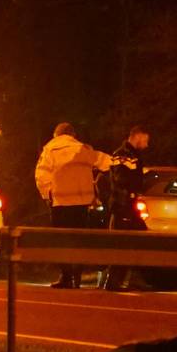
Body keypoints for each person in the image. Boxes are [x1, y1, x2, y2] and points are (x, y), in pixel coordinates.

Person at [33, 122, 115, 289]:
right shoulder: (83, 149)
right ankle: (76, 277)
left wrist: (48, 194)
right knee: (78, 240)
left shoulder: (50, 150)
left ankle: (66, 276)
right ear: (73, 135)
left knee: (61, 241)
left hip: (60, 203)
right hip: (81, 204)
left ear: (56, 135)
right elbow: (106, 162)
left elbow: (41, 175)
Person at [103, 126, 149, 291]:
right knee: (123, 243)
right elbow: (121, 178)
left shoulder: (132, 155)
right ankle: (114, 281)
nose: (147, 144)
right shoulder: (123, 155)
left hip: (128, 204)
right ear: (137, 137)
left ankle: (126, 279)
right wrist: (134, 189)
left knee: (136, 241)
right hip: (123, 205)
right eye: (145, 140)